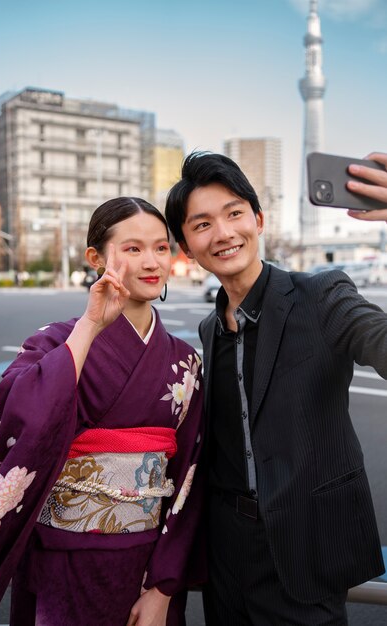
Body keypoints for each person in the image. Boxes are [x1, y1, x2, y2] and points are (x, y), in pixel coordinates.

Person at [165, 152, 387, 625]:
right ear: (186, 246)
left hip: (304, 546)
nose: (223, 233)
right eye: (202, 224)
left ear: (258, 220)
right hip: (226, 553)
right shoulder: (209, 329)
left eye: (234, 213)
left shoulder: (324, 296)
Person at [0, 197, 205, 626]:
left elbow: (189, 477)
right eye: (133, 249)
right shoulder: (55, 343)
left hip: (146, 564)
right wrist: (89, 327)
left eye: (161, 247)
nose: (152, 261)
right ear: (96, 258)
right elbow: (3, 429)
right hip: (60, 558)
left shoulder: (184, 361)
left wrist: (164, 587)